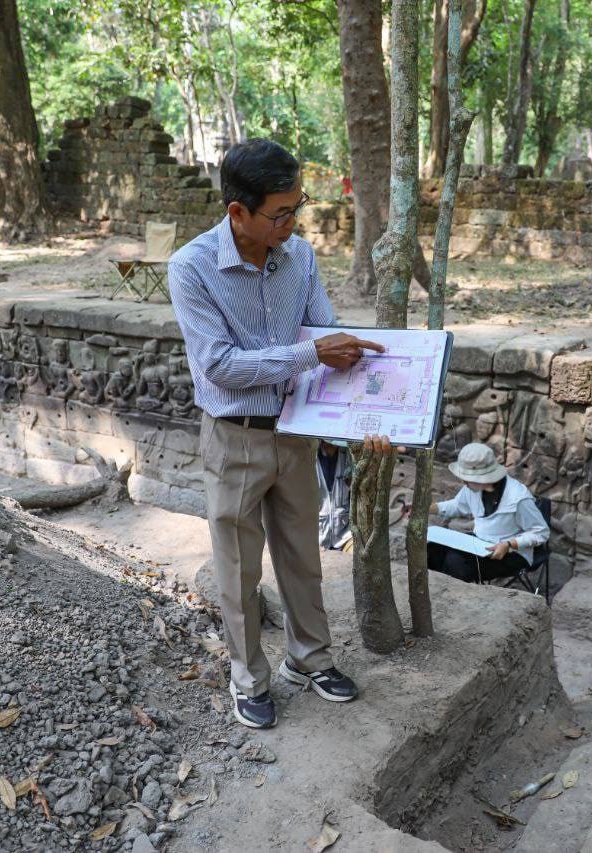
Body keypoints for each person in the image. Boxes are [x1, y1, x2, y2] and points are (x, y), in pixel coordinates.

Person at [169, 138, 397, 729]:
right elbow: (219, 365)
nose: (292, 223)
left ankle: (310, 658)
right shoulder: (192, 268)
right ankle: (248, 677)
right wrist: (311, 354)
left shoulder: (299, 256)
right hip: (234, 437)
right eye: (280, 213)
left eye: (298, 207)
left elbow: (324, 332)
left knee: (302, 555)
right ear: (237, 211)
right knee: (238, 568)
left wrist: (371, 414)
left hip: (297, 429)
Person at [428, 443, 549, 583]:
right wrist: (425, 508)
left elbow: (541, 532)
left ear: (484, 477)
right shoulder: (472, 487)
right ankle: (433, 591)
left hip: (512, 552)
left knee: (455, 562)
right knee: (432, 550)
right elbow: (458, 505)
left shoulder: (518, 497)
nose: (463, 482)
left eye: (467, 478)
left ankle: (455, 595)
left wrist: (509, 544)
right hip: (480, 543)